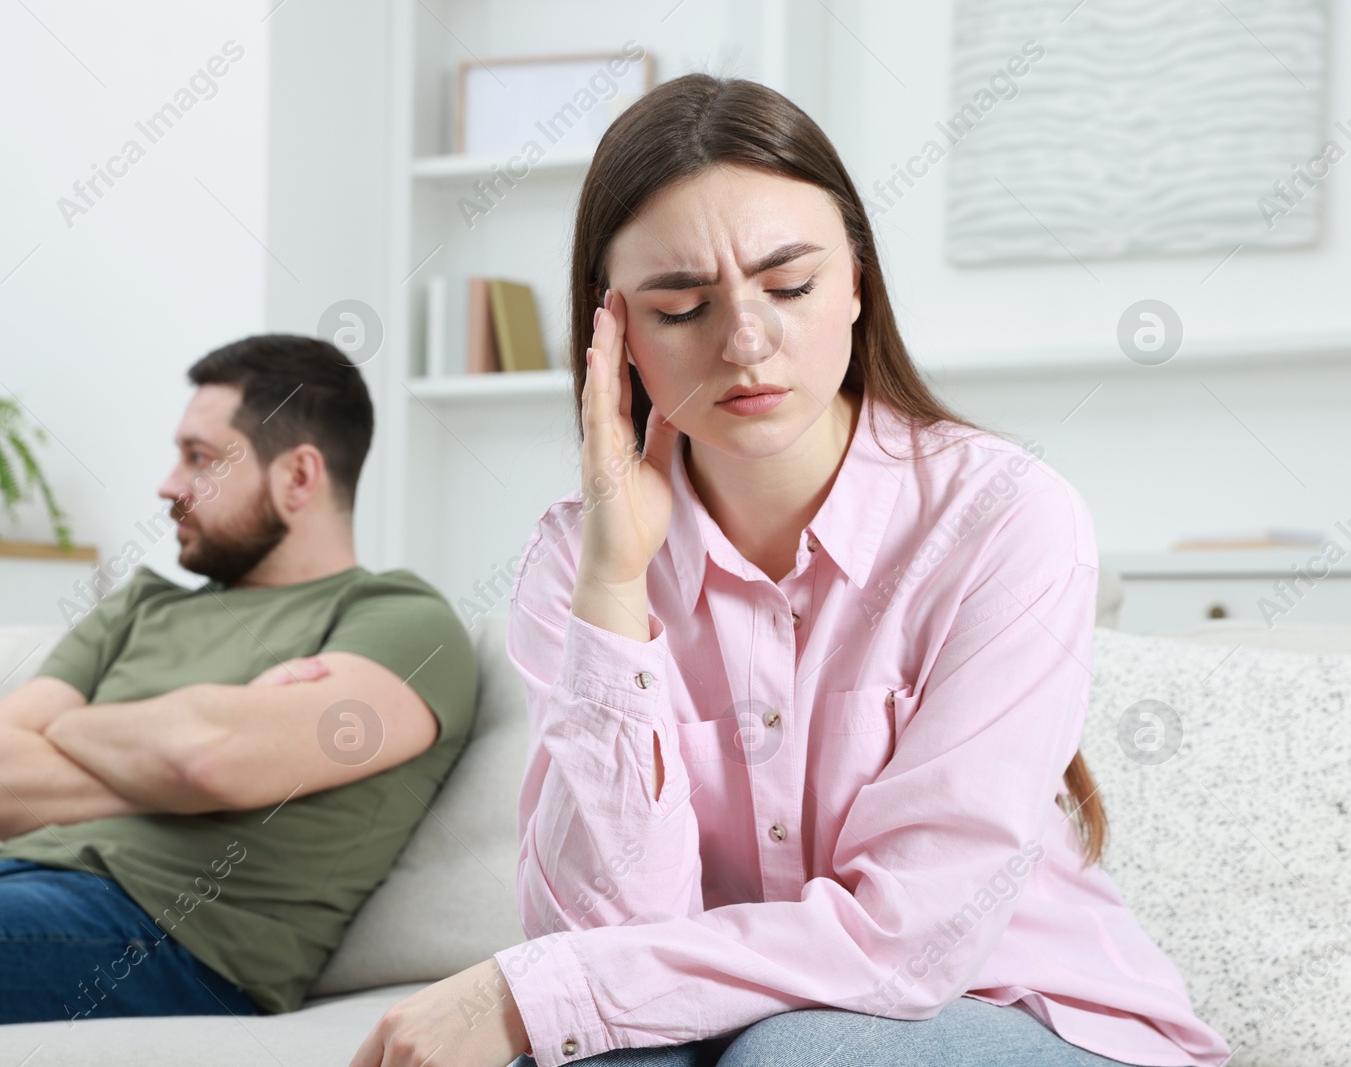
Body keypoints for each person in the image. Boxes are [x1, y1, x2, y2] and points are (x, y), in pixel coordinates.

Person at [348, 75, 1233, 1067]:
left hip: (1029, 1011)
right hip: (749, 1021)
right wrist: (613, 587)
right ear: (617, 335)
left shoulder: (1006, 518)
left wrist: (538, 990)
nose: (744, 343)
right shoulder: (575, 559)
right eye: (681, 306)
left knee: (796, 1053)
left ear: (855, 281)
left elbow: (908, 940)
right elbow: (603, 929)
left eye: (789, 286)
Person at [0, 334, 478, 1067]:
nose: (168, 484)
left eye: (199, 457)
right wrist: (201, 726)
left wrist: (76, 731)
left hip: (163, 939)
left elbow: (207, 759)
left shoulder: (400, 619)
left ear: (298, 475)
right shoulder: (140, 607)